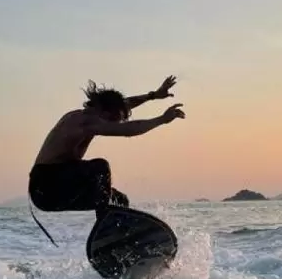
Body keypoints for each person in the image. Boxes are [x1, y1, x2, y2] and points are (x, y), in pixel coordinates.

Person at [28, 76, 185, 216]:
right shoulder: (84, 121)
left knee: (119, 199)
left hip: (56, 187)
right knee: (100, 167)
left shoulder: (93, 114)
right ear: (104, 111)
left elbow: (125, 105)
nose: (111, 124)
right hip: (46, 186)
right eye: (113, 119)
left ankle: (114, 241)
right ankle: (104, 221)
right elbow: (128, 129)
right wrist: (162, 119)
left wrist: (153, 96)